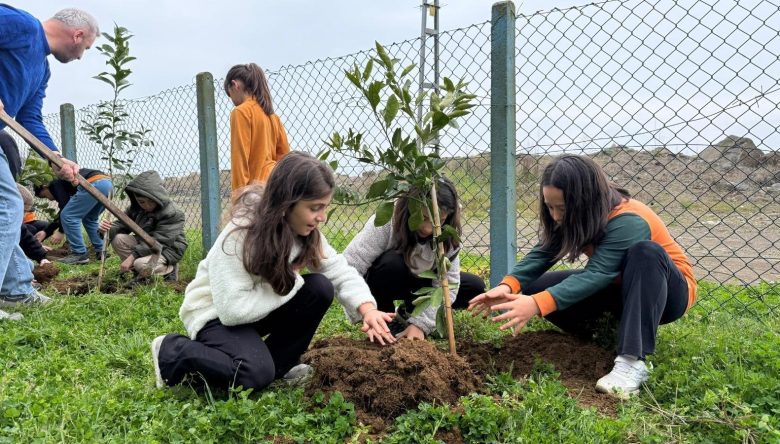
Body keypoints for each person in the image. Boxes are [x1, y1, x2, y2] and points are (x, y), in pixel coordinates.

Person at [150, 152, 395, 391]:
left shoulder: (304, 233)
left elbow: (339, 271)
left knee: (320, 287)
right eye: (314, 208)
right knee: (253, 373)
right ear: (287, 202)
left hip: (255, 310)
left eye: (324, 208)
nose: (322, 217)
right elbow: (232, 311)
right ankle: (172, 350)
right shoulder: (240, 235)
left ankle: (280, 367)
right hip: (215, 315)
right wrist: (292, 282)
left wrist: (368, 309)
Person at [469, 154, 696, 399]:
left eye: (562, 208)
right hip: (618, 289)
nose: (555, 216)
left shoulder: (629, 219)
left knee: (646, 252)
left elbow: (598, 273)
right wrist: (508, 285)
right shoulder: (574, 214)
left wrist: (536, 304)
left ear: (584, 201)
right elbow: (544, 252)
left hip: (666, 294)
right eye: (549, 206)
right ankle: (604, 331)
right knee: (537, 286)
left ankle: (632, 361)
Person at [0, 6, 99, 305]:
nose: (82, 55)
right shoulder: (22, 25)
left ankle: (17, 290)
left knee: (8, 207)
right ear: (77, 34)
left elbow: (30, 118)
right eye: (86, 47)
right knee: (8, 203)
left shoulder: (42, 69)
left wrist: (56, 156)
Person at [343, 177, 486, 340]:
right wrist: (366, 310)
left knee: (473, 286)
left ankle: (409, 313)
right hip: (387, 278)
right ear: (411, 207)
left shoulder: (448, 233)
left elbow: (448, 283)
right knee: (392, 263)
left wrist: (421, 325)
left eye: (439, 220)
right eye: (423, 217)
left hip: (421, 284)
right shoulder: (388, 220)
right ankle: (384, 319)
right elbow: (351, 265)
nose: (427, 228)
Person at [99, 171, 187, 282]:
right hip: (145, 244)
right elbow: (121, 224)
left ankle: (169, 269)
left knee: (140, 264)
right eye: (141, 202)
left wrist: (132, 257)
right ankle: (139, 274)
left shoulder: (172, 213)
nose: (147, 206)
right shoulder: (136, 209)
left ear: (158, 197)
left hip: (168, 248)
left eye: (151, 201)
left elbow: (160, 241)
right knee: (119, 239)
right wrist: (106, 229)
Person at [224, 63, 290, 195]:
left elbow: (240, 159)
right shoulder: (273, 116)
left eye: (229, 94)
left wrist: (238, 198)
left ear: (235, 85)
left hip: (254, 193)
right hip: (274, 189)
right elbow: (284, 157)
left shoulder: (241, 112)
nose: (232, 101)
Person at [34, 170, 113, 265]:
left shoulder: (54, 184)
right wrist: (46, 232)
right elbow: (65, 208)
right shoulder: (63, 184)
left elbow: (65, 211)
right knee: (89, 218)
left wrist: (61, 231)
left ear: (45, 186)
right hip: (107, 184)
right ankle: (101, 250)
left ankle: (79, 253)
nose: (50, 199)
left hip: (94, 183)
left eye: (45, 196)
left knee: (68, 216)